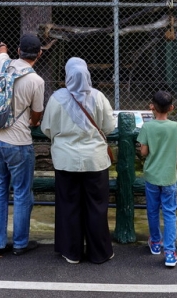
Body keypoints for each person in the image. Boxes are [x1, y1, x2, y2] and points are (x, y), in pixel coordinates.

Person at [41, 57, 116, 264]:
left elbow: (47, 128)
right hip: (95, 161)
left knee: (69, 205)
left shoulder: (57, 98)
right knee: (97, 206)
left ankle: (71, 252)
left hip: (66, 161)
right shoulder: (99, 97)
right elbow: (109, 127)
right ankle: (100, 252)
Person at [0, 33, 45, 258]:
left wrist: (2, 46)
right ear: (39, 54)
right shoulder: (36, 81)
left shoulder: (5, 66)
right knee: (21, 193)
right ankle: (20, 243)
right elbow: (36, 114)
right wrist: (33, 122)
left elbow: (1, 53)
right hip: (18, 142)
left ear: (18, 51)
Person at [137, 90, 177, 268]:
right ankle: (169, 252)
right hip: (169, 176)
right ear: (172, 108)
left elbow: (143, 152)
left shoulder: (147, 127)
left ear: (152, 107)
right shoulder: (175, 126)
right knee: (169, 212)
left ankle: (155, 243)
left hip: (151, 175)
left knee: (152, 210)